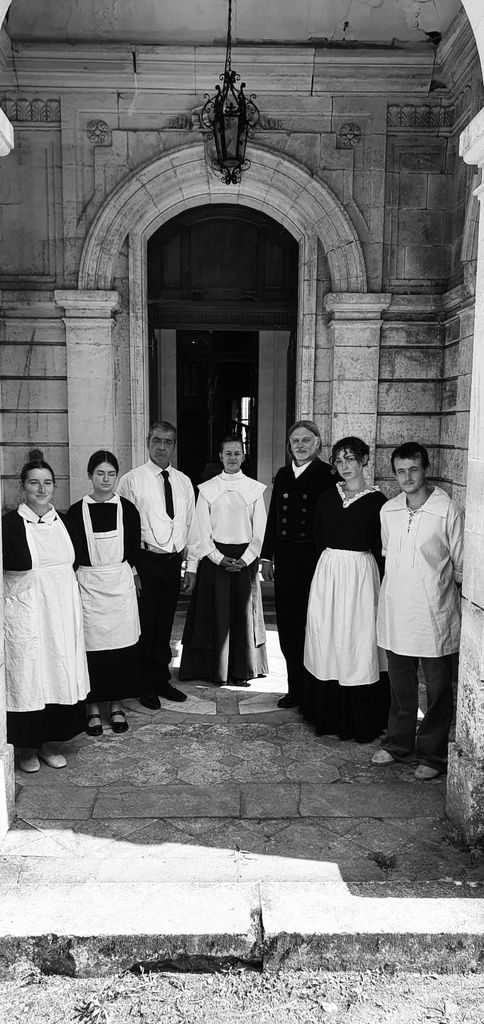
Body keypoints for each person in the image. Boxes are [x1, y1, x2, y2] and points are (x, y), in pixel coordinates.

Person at [372, 442, 464, 780]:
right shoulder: (389, 511)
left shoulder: (447, 510)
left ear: (425, 469)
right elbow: (388, 553)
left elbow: (461, 563)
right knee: (401, 687)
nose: (407, 476)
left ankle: (433, 756)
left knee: (438, 690)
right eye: (401, 471)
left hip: (434, 613)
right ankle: (398, 745)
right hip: (396, 610)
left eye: (413, 469)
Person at [2, 449, 89, 772]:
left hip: (61, 615)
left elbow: (75, 564)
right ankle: (26, 748)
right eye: (34, 483)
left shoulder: (65, 523)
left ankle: (51, 742)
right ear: (22, 487)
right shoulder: (9, 525)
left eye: (48, 483)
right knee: (29, 678)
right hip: (26, 615)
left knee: (57, 674)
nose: (42, 489)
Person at [302, 436, 390, 742]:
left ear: (365, 459)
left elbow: (382, 548)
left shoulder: (379, 502)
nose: (344, 466)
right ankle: (325, 713)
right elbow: (318, 535)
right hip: (329, 574)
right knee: (327, 636)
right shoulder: (327, 497)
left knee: (358, 638)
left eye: (350, 459)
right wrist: (330, 568)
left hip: (361, 577)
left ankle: (361, 718)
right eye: (338, 461)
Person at [117, 421, 198, 709]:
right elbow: (124, 529)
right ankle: (144, 684)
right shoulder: (131, 480)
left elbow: (191, 525)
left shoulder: (183, 481)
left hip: (173, 561)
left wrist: (190, 567)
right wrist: (133, 570)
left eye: (168, 442)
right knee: (146, 625)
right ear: (147, 442)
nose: (161, 447)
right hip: (145, 561)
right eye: (156, 440)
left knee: (166, 625)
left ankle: (161, 679)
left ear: (174, 446)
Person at [260, 420, 337, 709]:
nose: (301, 445)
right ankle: (295, 689)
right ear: (289, 446)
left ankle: (313, 692)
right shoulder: (282, 474)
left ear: (317, 443)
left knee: (312, 626)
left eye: (306, 440)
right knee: (289, 626)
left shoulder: (327, 475)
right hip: (286, 560)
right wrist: (267, 555)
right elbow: (273, 518)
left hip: (314, 559)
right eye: (296, 441)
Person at [179, 436, 268, 686]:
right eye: (227, 453)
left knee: (242, 616)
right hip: (215, 561)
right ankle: (212, 669)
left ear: (243, 456)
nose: (232, 458)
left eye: (237, 453)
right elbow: (200, 530)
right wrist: (218, 558)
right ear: (220, 456)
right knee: (214, 614)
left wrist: (247, 558)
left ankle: (242, 668)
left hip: (244, 563)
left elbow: (260, 530)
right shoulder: (207, 489)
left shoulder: (254, 489)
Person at [66, 450, 141, 737]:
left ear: (117, 476)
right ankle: (93, 708)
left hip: (119, 584)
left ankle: (117, 705)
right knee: (92, 651)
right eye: (100, 473)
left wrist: (131, 575)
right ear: (90, 475)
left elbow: (134, 548)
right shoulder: (75, 512)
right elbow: (72, 552)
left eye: (111, 474)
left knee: (121, 651)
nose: (106, 479)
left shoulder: (128, 510)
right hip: (88, 585)